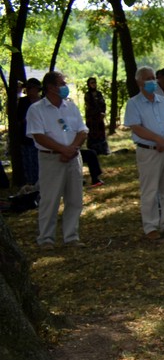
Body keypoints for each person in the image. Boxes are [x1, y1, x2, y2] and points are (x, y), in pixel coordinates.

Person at [26, 71, 87, 248]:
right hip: (51, 159)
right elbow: (38, 136)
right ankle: (46, 238)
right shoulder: (37, 109)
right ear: (51, 87)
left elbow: (82, 131)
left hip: (73, 157)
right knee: (50, 199)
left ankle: (71, 236)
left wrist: (73, 148)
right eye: (62, 83)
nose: (65, 86)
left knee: (75, 199)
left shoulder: (71, 106)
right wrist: (62, 149)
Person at [124, 67, 164, 239]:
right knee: (150, 189)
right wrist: (159, 140)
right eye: (147, 78)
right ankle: (150, 226)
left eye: (152, 78)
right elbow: (136, 128)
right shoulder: (133, 103)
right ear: (139, 82)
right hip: (149, 151)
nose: (151, 82)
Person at [16, 79, 42, 187]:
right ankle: (30, 183)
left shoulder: (43, 101)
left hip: (41, 135)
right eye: (29, 88)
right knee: (28, 161)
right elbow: (19, 118)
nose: (30, 91)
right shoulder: (23, 101)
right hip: (26, 135)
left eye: (32, 88)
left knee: (38, 161)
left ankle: (40, 182)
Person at [83, 77, 108, 155]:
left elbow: (103, 104)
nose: (94, 84)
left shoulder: (99, 93)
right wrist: (97, 113)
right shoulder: (87, 95)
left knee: (101, 134)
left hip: (100, 118)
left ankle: (103, 150)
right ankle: (93, 150)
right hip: (92, 118)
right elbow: (90, 106)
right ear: (89, 85)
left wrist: (103, 113)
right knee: (92, 134)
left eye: (95, 82)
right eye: (92, 83)